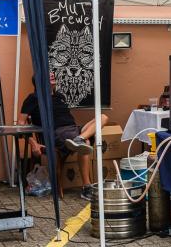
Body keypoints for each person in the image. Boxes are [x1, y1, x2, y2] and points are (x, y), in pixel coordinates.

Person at [19, 72, 108, 200]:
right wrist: (34, 143)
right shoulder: (33, 98)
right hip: (56, 133)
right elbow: (21, 124)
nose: (52, 74)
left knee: (103, 118)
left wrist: (78, 133)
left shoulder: (60, 96)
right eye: (47, 74)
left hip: (73, 130)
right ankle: (86, 187)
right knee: (86, 144)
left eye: (52, 73)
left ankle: (79, 139)